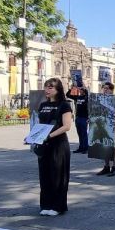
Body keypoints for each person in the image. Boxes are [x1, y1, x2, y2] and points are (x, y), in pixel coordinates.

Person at [36, 78, 73, 216]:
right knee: (44, 175)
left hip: (58, 144)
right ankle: (46, 204)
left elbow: (66, 126)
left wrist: (50, 136)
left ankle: (58, 206)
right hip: (44, 145)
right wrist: (34, 136)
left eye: (51, 87)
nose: (47, 90)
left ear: (58, 90)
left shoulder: (64, 105)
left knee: (58, 175)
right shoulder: (43, 105)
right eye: (46, 87)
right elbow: (40, 124)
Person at [95, 82, 115, 177]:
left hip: (113, 125)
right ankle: (106, 167)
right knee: (104, 146)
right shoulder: (100, 99)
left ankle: (114, 168)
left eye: (107, 88)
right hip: (102, 125)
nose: (105, 90)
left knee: (113, 147)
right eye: (104, 88)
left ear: (111, 90)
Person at [65, 85, 89, 154]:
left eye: (82, 90)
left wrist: (85, 88)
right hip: (78, 118)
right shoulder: (78, 97)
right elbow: (68, 95)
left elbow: (89, 104)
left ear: (84, 91)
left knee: (84, 133)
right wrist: (71, 88)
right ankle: (81, 147)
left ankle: (85, 148)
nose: (80, 91)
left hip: (84, 118)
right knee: (79, 133)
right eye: (80, 90)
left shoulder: (86, 98)